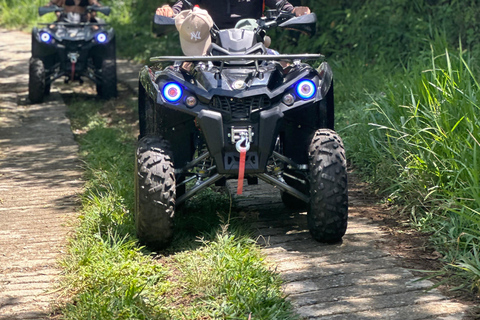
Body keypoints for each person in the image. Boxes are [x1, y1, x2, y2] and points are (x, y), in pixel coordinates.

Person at [156, 0, 310, 30]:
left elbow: (283, 5)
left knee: (287, 70)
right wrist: (169, 12)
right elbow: (181, 5)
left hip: (254, 46)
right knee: (183, 74)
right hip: (208, 47)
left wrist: (296, 10)